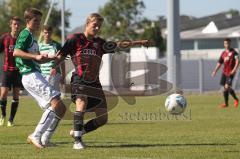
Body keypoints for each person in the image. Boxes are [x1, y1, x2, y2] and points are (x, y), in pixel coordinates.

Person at [54, 13, 149, 150]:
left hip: (95, 83)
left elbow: (119, 45)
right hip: (79, 80)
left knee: (102, 119)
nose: (97, 28)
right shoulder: (75, 39)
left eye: (99, 26)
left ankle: (78, 132)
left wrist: (138, 43)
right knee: (81, 102)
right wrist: (51, 66)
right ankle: (77, 142)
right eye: (95, 25)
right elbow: (61, 56)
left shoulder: (100, 43)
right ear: (87, 24)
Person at [13, 8, 66, 149]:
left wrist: (50, 58)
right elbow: (16, 52)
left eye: (39, 21)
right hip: (30, 75)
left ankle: (44, 138)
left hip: (34, 74)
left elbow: (38, 59)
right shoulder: (25, 34)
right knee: (56, 103)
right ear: (28, 21)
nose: (38, 24)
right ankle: (36, 135)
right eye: (35, 20)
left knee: (59, 107)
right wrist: (35, 56)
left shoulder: (33, 38)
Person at [0, 16, 23, 127]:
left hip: (18, 71)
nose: (16, 26)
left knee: (16, 95)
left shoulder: (22, 38)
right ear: (11, 25)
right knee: (3, 94)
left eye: (18, 24)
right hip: (6, 70)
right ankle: (3, 115)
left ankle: (11, 120)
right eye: (14, 24)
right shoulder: (4, 38)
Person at [212, 38, 239, 108]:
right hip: (224, 72)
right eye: (225, 43)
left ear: (230, 43)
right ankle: (226, 104)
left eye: (228, 43)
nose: (226, 45)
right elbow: (219, 63)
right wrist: (215, 71)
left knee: (227, 86)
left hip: (231, 72)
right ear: (224, 44)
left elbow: (237, 61)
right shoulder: (223, 53)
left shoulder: (234, 52)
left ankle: (236, 99)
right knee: (225, 88)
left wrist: (234, 69)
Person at [39, 25, 65, 91]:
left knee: (54, 96)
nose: (47, 34)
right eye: (45, 32)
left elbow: (62, 60)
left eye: (49, 33)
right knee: (44, 97)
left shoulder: (57, 45)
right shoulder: (39, 46)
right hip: (42, 74)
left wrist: (63, 75)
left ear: (51, 33)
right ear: (42, 33)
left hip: (54, 75)